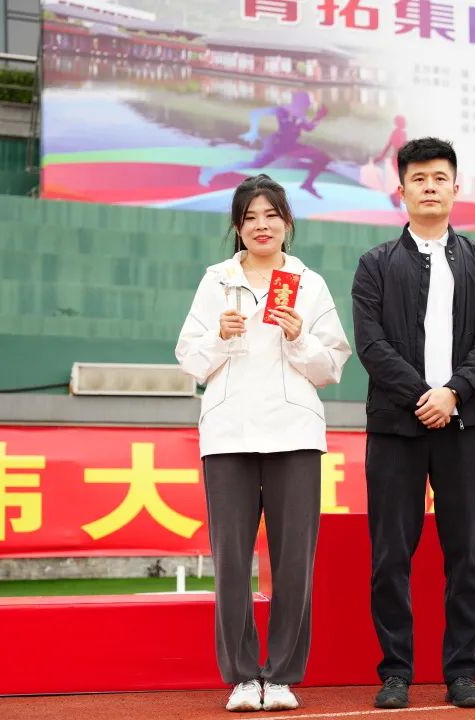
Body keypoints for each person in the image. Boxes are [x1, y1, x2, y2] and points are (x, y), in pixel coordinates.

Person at [175, 174, 351, 712]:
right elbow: (190, 358)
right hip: (228, 433)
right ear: (237, 226)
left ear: (287, 223)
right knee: (231, 560)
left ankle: (282, 676)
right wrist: (219, 336)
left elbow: (332, 366)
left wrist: (299, 335)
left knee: (293, 560)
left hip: (293, 433)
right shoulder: (216, 280)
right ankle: (241, 677)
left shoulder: (308, 284)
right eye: (250, 217)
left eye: (271, 215)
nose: (261, 226)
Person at [352, 137, 475, 709]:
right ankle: (396, 672)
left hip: (463, 425)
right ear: (402, 191)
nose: (430, 187)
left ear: (455, 188)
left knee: (466, 554)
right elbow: (371, 344)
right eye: (418, 179)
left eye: (440, 178)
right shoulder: (375, 263)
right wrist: (424, 396)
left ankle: (461, 672)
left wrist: (454, 393)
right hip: (396, 427)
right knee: (391, 556)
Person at [199, 91, 332, 198]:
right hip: (277, 146)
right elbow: (256, 113)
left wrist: (319, 117)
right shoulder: (283, 110)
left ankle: (308, 184)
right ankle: (212, 171)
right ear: (299, 102)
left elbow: (308, 127)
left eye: (308, 104)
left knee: (323, 158)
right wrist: (253, 131)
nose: (307, 106)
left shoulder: (300, 114)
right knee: (255, 164)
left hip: (292, 146)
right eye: (306, 103)